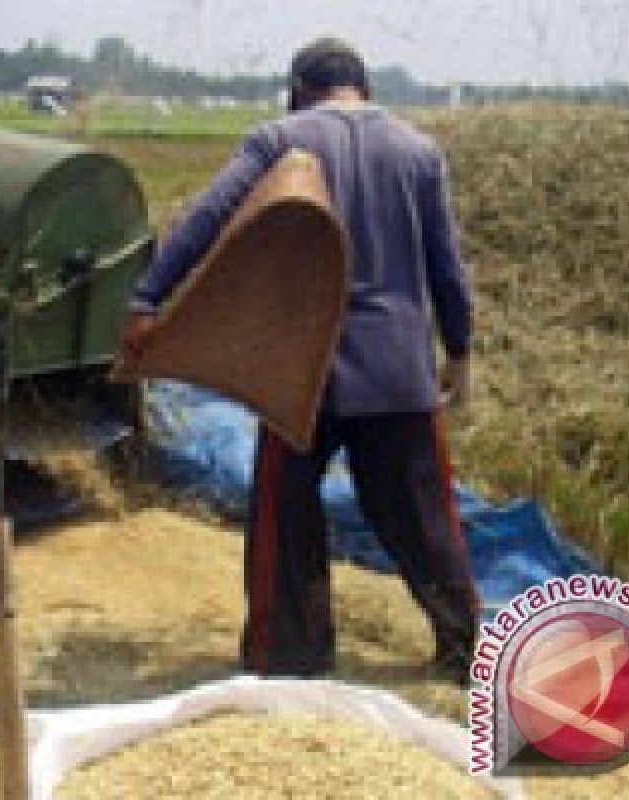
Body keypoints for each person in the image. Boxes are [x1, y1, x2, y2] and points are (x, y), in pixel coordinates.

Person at [124, 38, 479, 684]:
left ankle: (291, 665)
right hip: (398, 370)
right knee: (424, 519)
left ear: (298, 89)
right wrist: (459, 349)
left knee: (284, 520)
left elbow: (209, 217)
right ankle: (467, 656)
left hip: (301, 372)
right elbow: (444, 265)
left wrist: (148, 298)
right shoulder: (417, 151)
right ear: (362, 88)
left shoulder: (279, 140)